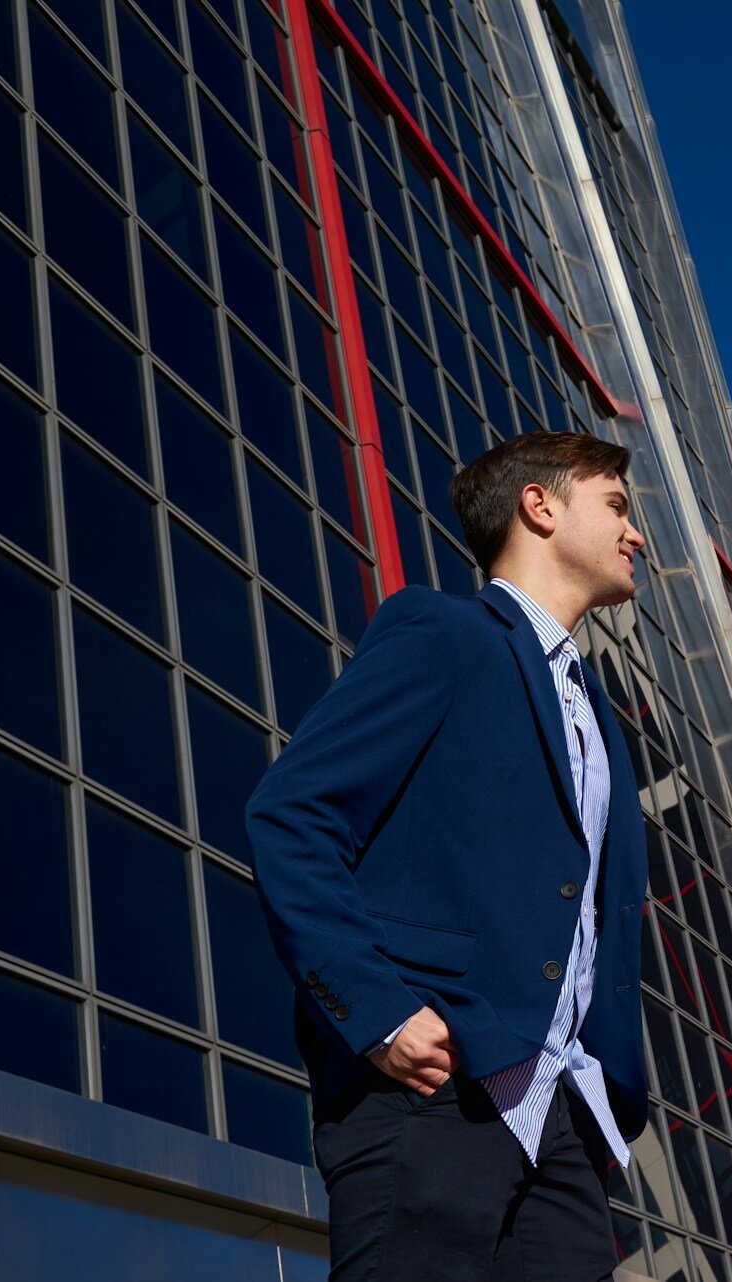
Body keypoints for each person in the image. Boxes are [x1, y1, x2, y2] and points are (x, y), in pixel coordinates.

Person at [247, 431, 652, 1281]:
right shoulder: (443, 631)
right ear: (539, 507)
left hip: (562, 1109)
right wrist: (379, 1012)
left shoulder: (599, 714)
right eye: (616, 506)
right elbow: (292, 815)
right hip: (436, 1080)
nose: (636, 533)